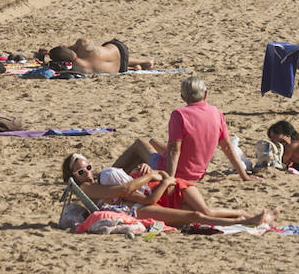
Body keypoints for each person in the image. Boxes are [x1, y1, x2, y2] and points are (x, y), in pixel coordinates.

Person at [62, 153, 277, 226]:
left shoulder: (100, 181)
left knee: (203, 211)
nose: (87, 173)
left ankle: (247, 216)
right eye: (81, 172)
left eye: (88, 168)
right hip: (137, 208)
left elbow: (126, 188)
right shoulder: (88, 188)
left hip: (139, 201)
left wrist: (144, 173)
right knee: (196, 214)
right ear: (73, 176)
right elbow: (125, 189)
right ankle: (245, 221)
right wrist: (152, 175)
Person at [111, 76, 254, 182]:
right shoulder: (217, 113)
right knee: (153, 142)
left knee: (139, 144)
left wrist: (170, 179)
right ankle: (123, 173)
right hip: (198, 173)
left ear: (182, 97)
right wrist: (244, 176)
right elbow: (227, 147)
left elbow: (174, 150)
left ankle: (112, 173)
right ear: (205, 94)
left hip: (178, 172)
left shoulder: (179, 114)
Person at [41, 38, 152, 73]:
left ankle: (135, 66)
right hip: (119, 50)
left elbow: (53, 67)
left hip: (119, 69)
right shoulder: (83, 43)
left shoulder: (78, 67)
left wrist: (44, 58)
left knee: (103, 64)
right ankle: (140, 62)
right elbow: (65, 47)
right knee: (105, 54)